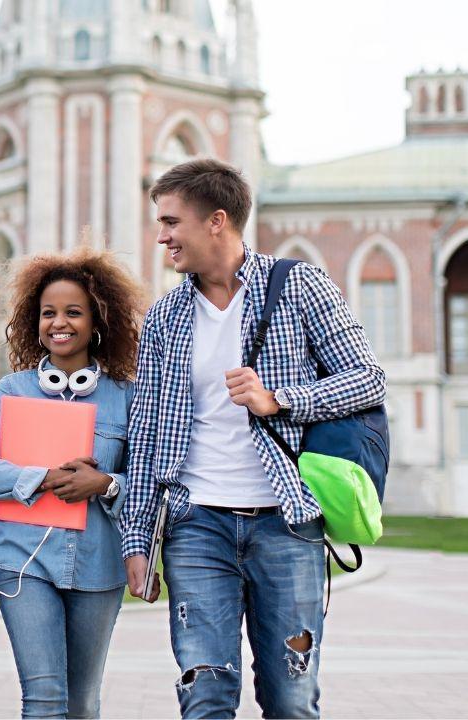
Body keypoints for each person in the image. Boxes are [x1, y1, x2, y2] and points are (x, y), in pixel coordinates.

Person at [119, 159, 386, 719]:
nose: (162, 235)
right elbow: (144, 436)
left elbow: (368, 378)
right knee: (206, 692)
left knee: (290, 698)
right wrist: (138, 539)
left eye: (172, 222)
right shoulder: (165, 317)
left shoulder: (298, 287)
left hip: (285, 523)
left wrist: (281, 398)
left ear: (217, 221)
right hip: (196, 527)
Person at [0, 248, 146, 718]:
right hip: (24, 564)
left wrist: (104, 484)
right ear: (33, 320)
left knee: (82, 703)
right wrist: (42, 478)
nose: (58, 323)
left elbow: (145, 484)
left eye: (73, 312)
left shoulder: (125, 396)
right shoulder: (11, 391)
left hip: (98, 567)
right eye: (48, 313)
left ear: (97, 320)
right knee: (43, 698)